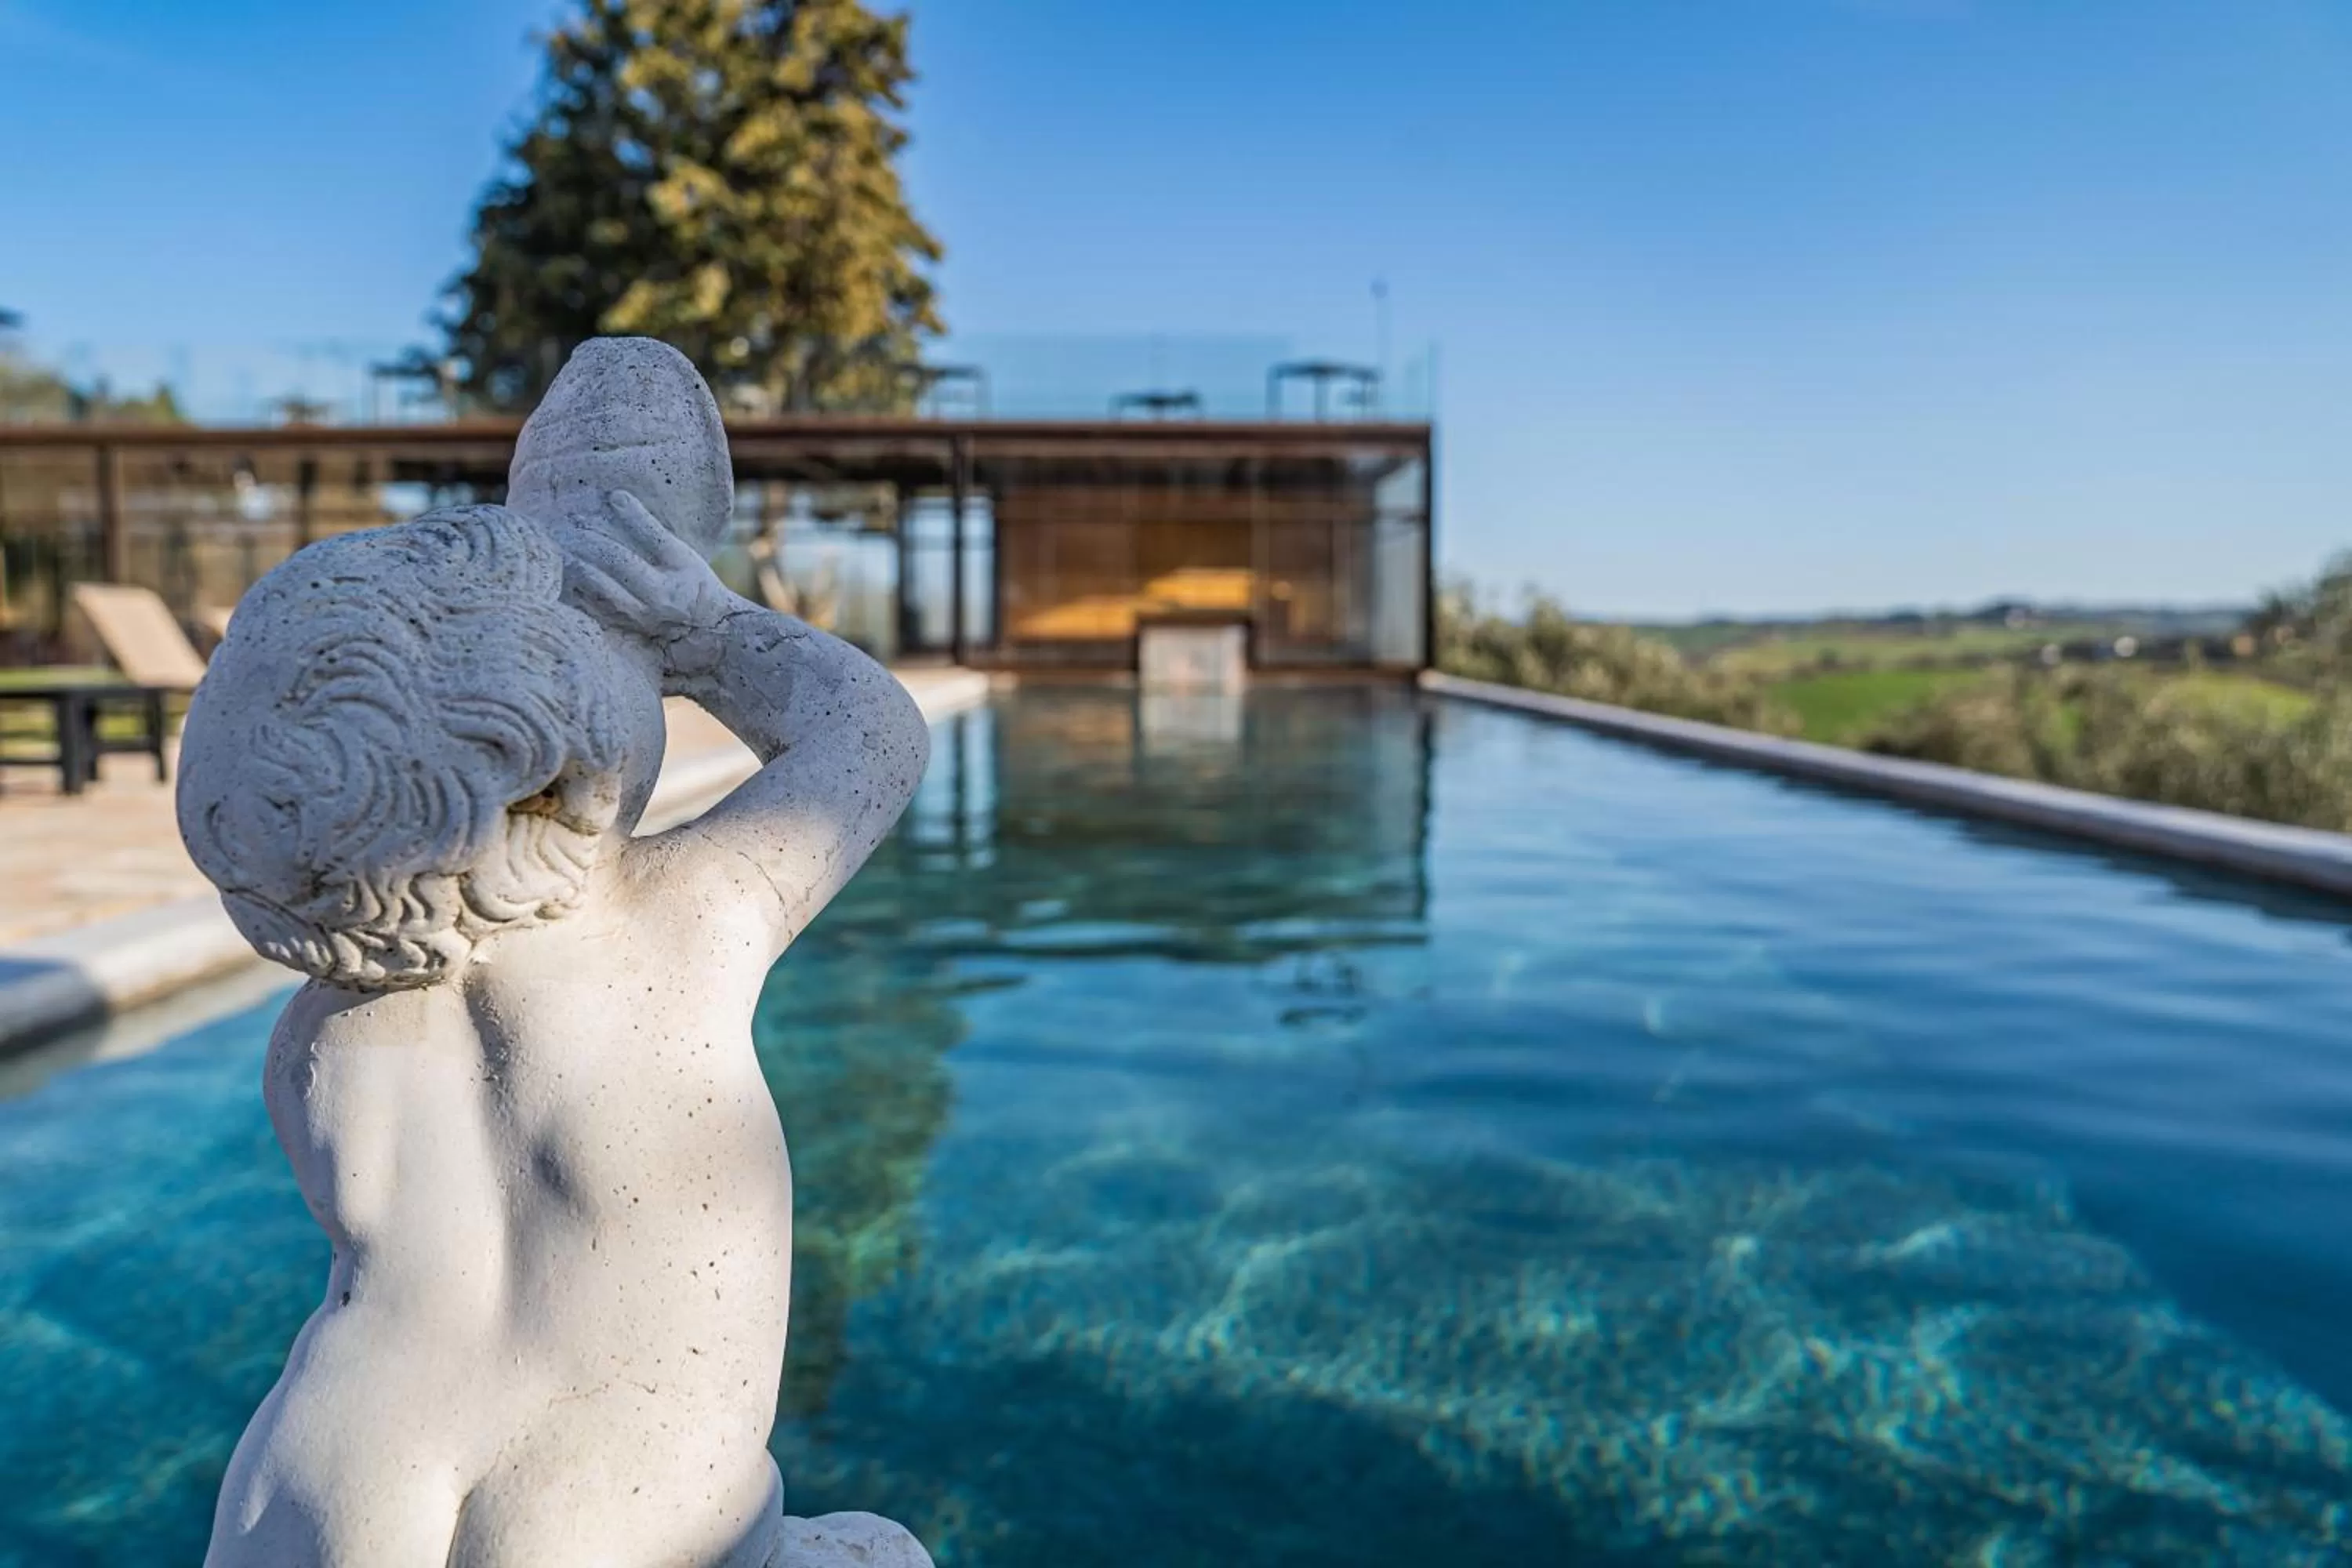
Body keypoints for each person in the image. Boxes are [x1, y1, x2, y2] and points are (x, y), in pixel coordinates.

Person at [176, 348, 929, 1567]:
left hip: (314, 1483)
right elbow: (871, 735)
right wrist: (705, 629)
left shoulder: (315, 1033)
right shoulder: (685, 923)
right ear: (560, 765)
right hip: (631, 1506)